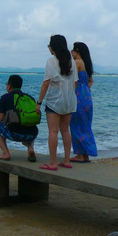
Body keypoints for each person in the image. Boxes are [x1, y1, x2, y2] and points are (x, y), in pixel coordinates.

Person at [36, 35, 78, 171]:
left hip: (55, 101)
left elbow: (46, 83)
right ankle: (66, 160)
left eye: (49, 46)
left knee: (53, 131)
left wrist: (39, 102)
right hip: (70, 101)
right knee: (65, 130)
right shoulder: (71, 61)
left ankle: (53, 162)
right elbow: (75, 83)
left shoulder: (51, 61)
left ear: (53, 47)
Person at [0, 75, 38, 162]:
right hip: (32, 134)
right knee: (30, 125)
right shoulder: (29, 98)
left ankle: (6, 153)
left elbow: (0, 118)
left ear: (9, 86)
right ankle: (30, 147)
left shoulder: (5, 97)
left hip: (15, 134)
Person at [69, 42, 97, 163]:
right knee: (85, 125)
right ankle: (85, 154)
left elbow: (72, 81)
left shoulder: (77, 63)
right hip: (86, 98)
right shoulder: (87, 64)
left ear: (77, 51)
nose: (71, 52)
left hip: (78, 97)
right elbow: (91, 81)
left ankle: (80, 154)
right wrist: (84, 89)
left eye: (72, 50)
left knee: (76, 125)